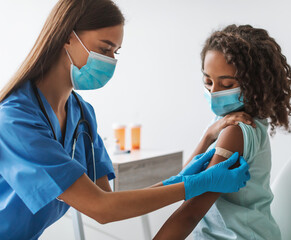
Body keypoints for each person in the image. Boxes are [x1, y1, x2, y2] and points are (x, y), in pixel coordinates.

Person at [0, 1, 254, 239]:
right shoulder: (15, 120)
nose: (110, 61)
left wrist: (182, 177)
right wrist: (197, 183)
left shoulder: (81, 115)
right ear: (68, 36)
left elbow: (108, 200)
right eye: (104, 49)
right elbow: (101, 209)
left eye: (115, 52)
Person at [154, 24, 291, 240]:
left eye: (227, 84)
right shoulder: (224, 123)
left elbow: (191, 212)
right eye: (208, 81)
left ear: (254, 84)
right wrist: (207, 137)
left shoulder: (236, 129)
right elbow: (185, 181)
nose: (213, 92)